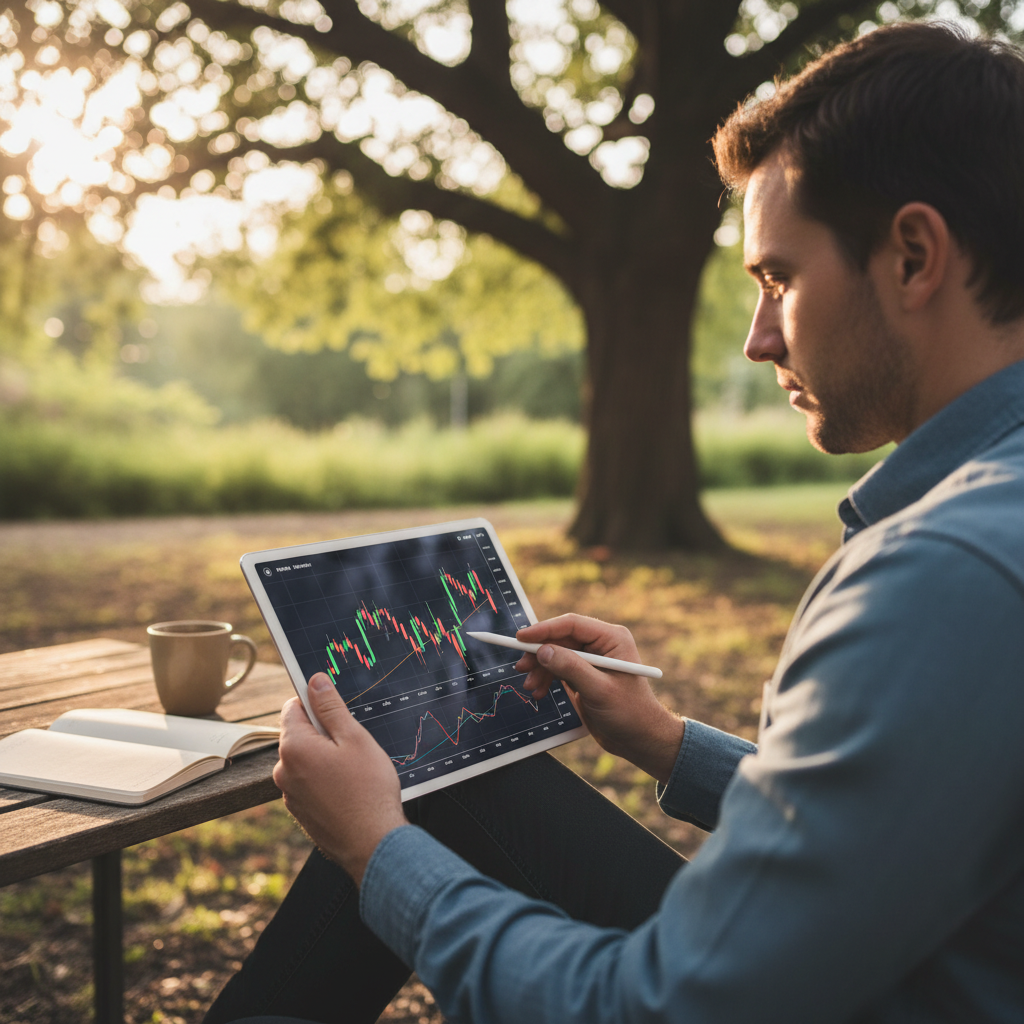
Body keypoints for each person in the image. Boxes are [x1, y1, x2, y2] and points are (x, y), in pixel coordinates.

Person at [205, 21, 1024, 1024]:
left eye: (778, 279)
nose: (760, 338)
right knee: (459, 786)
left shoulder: (942, 572)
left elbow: (658, 1009)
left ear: (910, 256)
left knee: (411, 813)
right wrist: (667, 740)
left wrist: (377, 853)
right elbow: (915, 814)